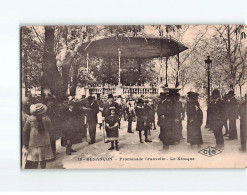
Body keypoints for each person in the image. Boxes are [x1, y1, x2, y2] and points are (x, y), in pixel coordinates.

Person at [23, 103, 54, 169]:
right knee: (43, 159)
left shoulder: (29, 119)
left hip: (33, 141)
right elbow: (51, 128)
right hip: (45, 141)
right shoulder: (46, 119)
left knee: (34, 160)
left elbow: (25, 129)